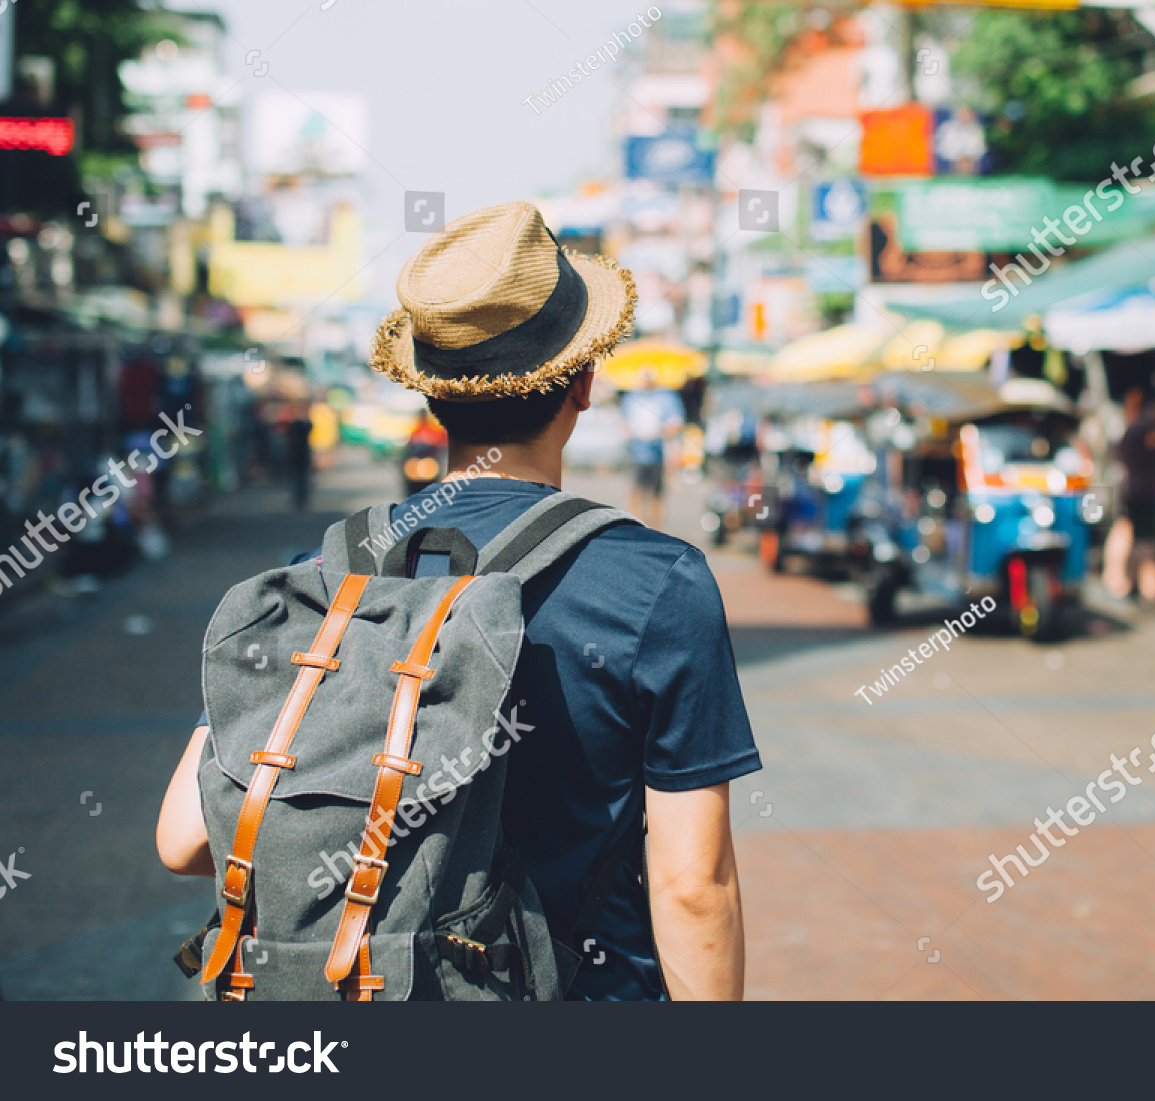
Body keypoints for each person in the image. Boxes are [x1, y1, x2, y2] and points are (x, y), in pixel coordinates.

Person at [157, 201, 760, 1001]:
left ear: (431, 397)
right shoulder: (656, 583)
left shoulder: (327, 574)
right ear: (583, 382)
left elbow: (183, 837)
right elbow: (693, 885)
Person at [1102, 388, 1155, 602]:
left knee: (1133, 535)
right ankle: (1141, 584)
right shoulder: (1144, 429)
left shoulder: (1129, 429)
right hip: (1143, 492)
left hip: (1131, 490)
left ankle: (1131, 581)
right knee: (1140, 537)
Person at [620, 366, 684, 530]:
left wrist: (659, 431)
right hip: (636, 451)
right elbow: (623, 423)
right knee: (636, 491)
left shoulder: (666, 396)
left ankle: (656, 530)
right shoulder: (631, 396)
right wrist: (635, 432)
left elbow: (677, 422)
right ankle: (635, 528)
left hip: (658, 452)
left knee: (656, 494)